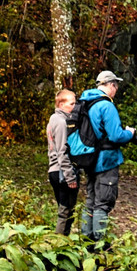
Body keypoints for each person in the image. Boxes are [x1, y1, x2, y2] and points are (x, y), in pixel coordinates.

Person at [69, 69, 136, 247]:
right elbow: (115, 136)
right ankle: (100, 244)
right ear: (110, 85)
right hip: (106, 161)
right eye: (116, 85)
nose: (117, 89)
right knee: (103, 203)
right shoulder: (106, 105)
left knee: (90, 201)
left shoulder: (86, 101)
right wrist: (129, 133)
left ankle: (86, 242)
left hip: (89, 160)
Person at [44, 89, 81, 236]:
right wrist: (69, 176)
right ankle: (58, 245)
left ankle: (63, 244)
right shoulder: (60, 121)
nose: (74, 106)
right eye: (71, 103)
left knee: (66, 211)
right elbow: (62, 151)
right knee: (65, 212)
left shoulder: (54, 120)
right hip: (61, 171)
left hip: (55, 170)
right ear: (61, 104)